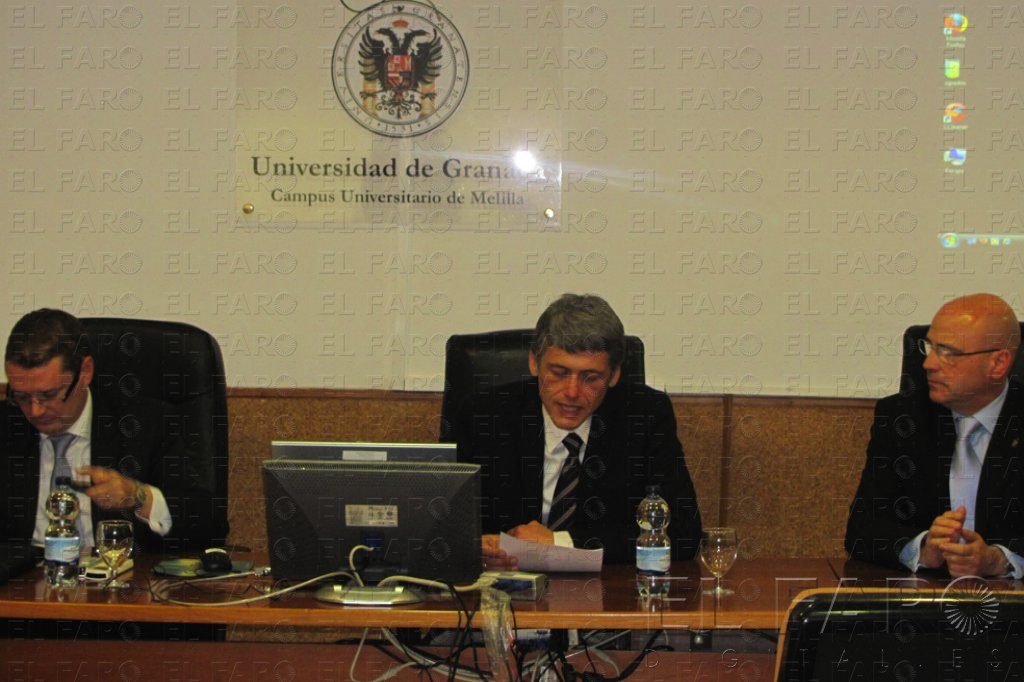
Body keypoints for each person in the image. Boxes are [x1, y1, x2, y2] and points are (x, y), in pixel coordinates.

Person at [451, 294, 702, 569]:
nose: (572, 392)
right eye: (559, 373)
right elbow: (443, 525)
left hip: (605, 590)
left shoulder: (645, 417)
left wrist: (558, 543)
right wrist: (477, 547)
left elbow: (683, 534)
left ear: (614, 375)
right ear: (534, 362)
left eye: (590, 378)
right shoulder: (484, 415)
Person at [1, 308, 227, 553]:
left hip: (118, 573)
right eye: (22, 396)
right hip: (25, 575)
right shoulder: (7, 425)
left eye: (49, 395)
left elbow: (208, 522)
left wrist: (138, 496)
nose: (35, 411)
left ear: (85, 372)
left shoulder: (145, 425)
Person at [846, 293, 1024, 577]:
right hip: (923, 597)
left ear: (998, 363)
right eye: (929, 347)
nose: (928, 363)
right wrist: (923, 547)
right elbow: (863, 529)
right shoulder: (903, 418)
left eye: (948, 352)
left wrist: (999, 560)